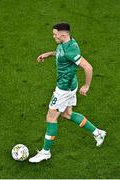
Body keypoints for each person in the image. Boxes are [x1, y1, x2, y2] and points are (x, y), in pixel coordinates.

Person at [29, 22, 106, 163]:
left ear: (63, 34)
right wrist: (49, 54)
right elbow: (62, 53)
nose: (53, 36)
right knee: (67, 114)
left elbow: (88, 67)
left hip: (64, 89)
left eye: (55, 34)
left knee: (51, 117)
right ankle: (98, 133)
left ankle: (45, 152)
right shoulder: (67, 43)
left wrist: (87, 86)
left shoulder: (71, 50)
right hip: (71, 85)